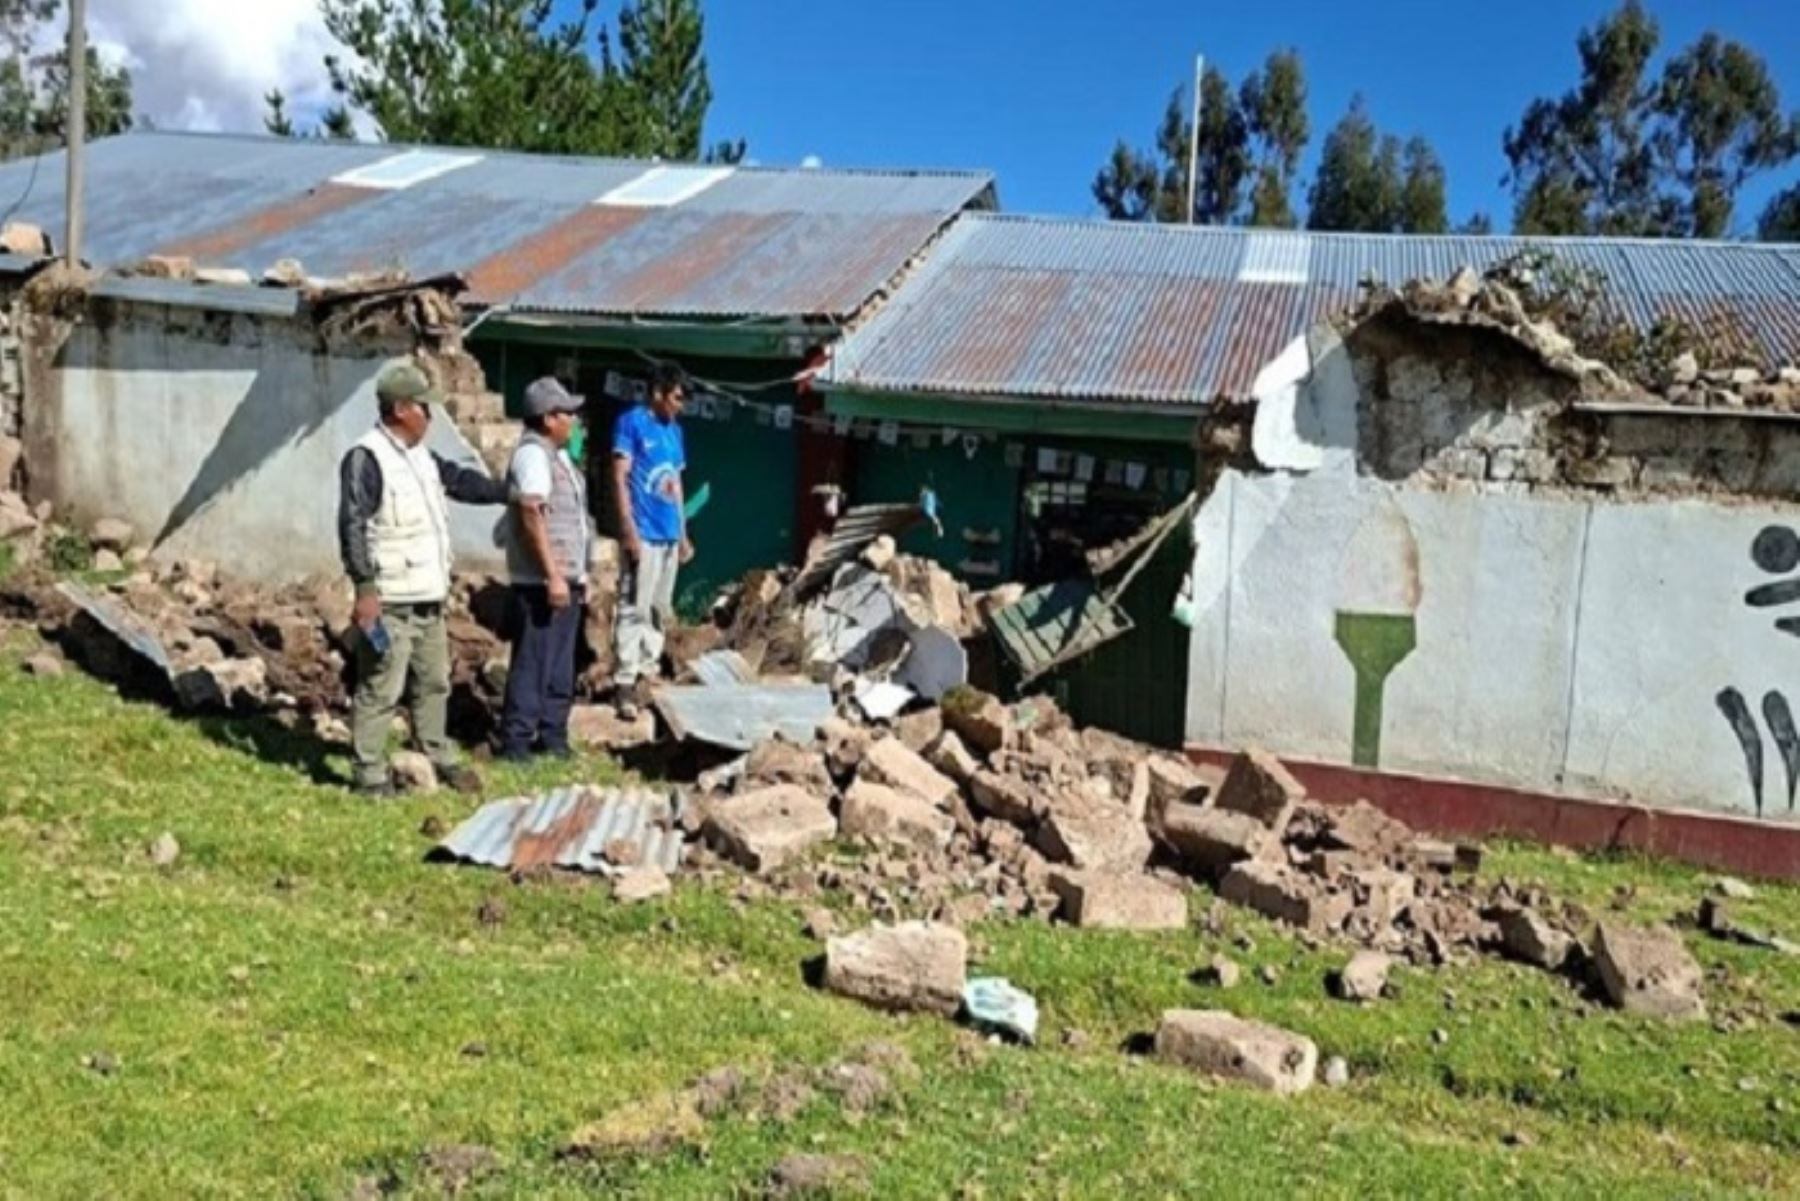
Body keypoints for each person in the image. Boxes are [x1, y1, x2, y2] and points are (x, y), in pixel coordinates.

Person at [337, 359, 507, 797]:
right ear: (399, 409)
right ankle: (369, 773)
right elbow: (352, 525)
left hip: (428, 593)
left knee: (434, 680)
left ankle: (436, 750)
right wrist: (365, 589)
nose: (430, 416)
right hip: (391, 596)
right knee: (381, 686)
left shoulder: (421, 457)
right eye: (423, 408)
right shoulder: (366, 458)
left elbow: (460, 482)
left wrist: (506, 490)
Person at [498, 377, 591, 760]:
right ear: (548, 418)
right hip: (541, 581)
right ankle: (517, 741)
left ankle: (553, 735)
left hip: (565, 578)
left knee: (558, 664)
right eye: (567, 413)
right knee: (533, 662)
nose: (574, 420)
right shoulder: (533, 455)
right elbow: (531, 513)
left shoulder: (560, 456)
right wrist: (552, 574)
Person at [612, 362, 694, 718]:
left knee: (660, 606)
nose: (679, 405)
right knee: (635, 605)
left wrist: (683, 531)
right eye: (675, 397)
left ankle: (648, 669)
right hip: (643, 531)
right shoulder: (632, 423)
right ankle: (624, 680)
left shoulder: (674, 431)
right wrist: (627, 528)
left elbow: (676, 484)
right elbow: (619, 478)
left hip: (668, 533)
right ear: (658, 393)